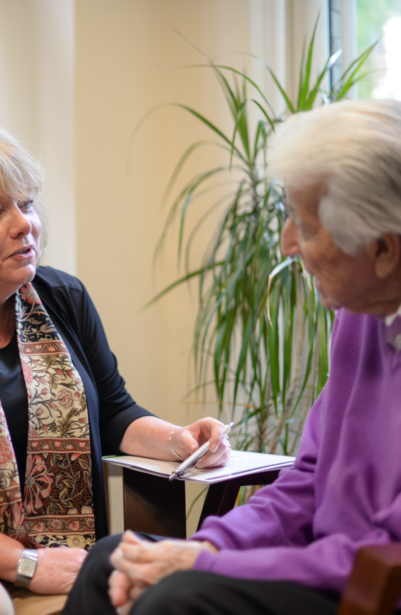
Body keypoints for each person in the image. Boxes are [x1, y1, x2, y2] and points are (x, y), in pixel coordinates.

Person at [62, 98, 401, 615]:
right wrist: (207, 547)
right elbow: (306, 483)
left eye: (307, 228)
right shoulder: (360, 316)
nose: (288, 243)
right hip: (321, 569)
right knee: (113, 559)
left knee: (172, 600)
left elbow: (379, 555)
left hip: (369, 590)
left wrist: (206, 568)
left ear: (384, 249)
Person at [0, 122, 231, 615]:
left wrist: (177, 440)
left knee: (160, 589)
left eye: (26, 204)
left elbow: (114, 412)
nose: (22, 224)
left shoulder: (62, 298)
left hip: (54, 554)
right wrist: (26, 563)